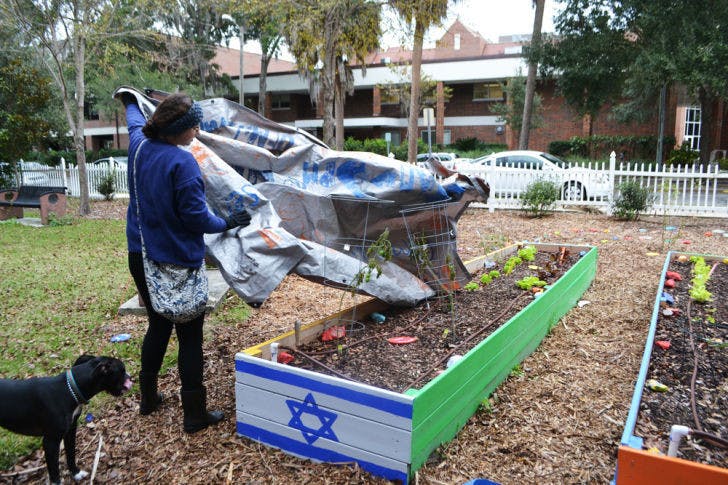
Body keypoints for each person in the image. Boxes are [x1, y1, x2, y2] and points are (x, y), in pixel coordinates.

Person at [117, 91, 251, 433]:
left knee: (157, 324)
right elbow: (197, 220)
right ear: (176, 131)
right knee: (190, 337)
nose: (197, 132)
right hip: (176, 262)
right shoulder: (182, 163)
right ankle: (194, 414)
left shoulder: (138, 145)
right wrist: (228, 222)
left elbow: (134, 117)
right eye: (192, 128)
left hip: (141, 255)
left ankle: (148, 398)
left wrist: (129, 99)